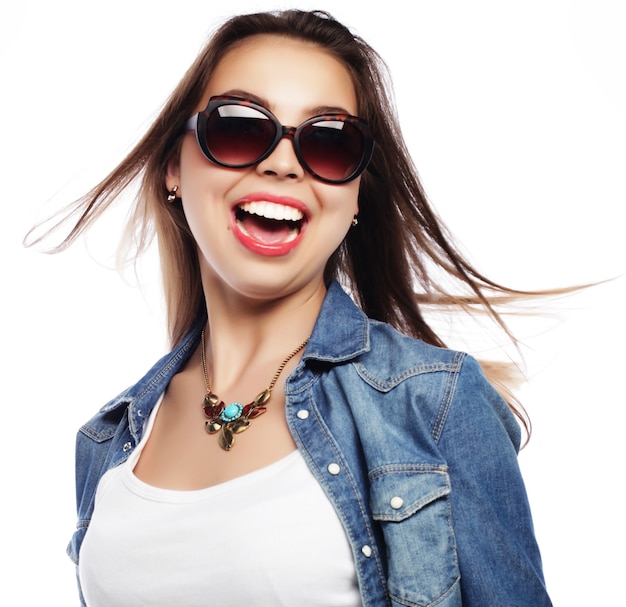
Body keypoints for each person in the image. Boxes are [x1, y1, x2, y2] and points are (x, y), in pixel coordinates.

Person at [38, 9, 552, 606]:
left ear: (355, 196)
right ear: (174, 167)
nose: (282, 164)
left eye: (330, 143)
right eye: (238, 127)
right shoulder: (111, 439)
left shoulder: (431, 405)